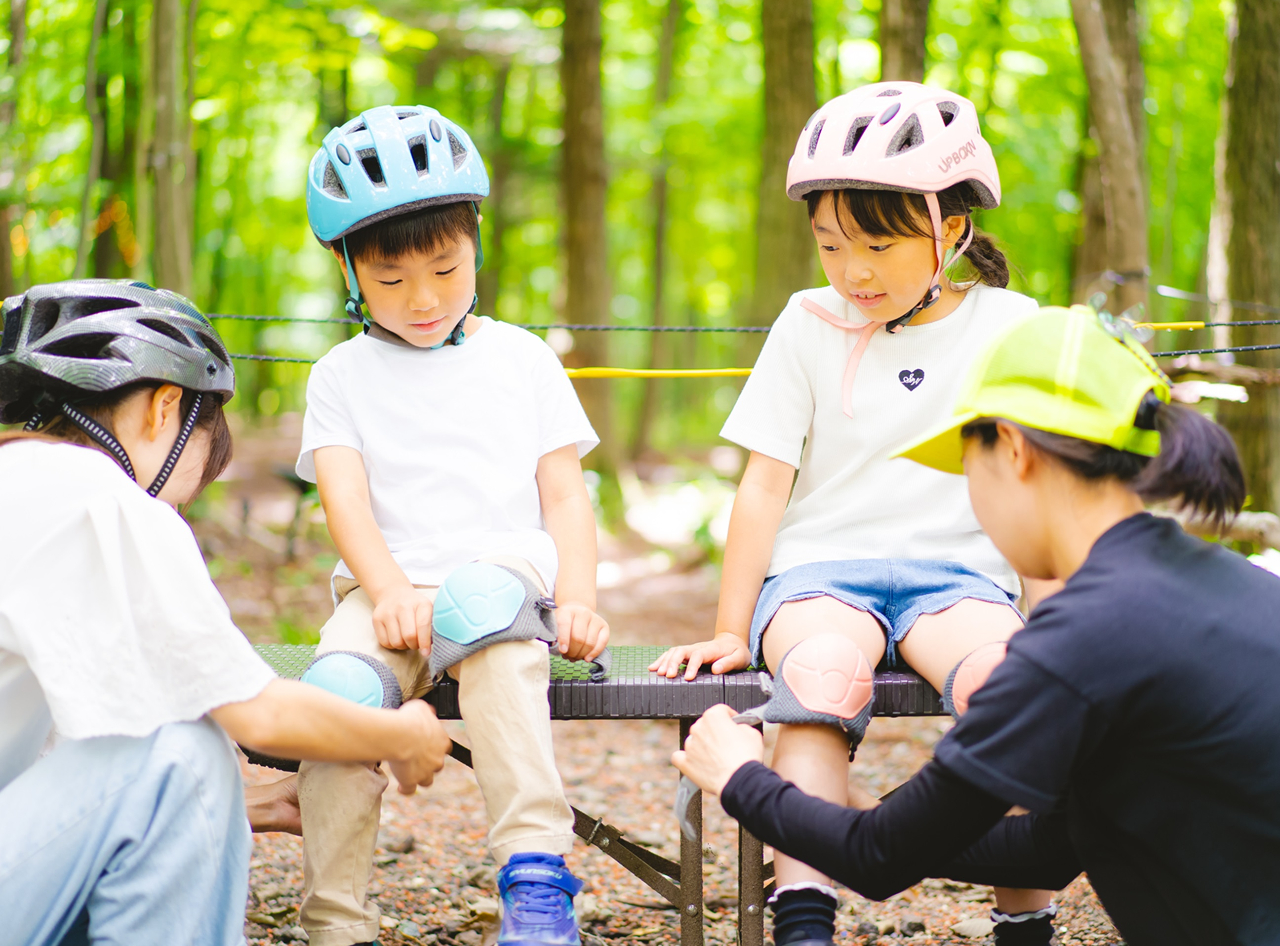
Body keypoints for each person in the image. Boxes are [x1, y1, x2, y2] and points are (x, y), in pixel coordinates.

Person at [674, 303, 1280, 946]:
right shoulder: (1234, 589)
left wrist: (741, 776)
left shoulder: (1077, 641)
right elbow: (1045, 852)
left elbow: (879, 859)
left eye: (964, 470)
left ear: (1013, 451)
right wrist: (856, 811)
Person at [651, 82, 1055, 942]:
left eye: (877, 243)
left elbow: (1039, 484)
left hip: (961, 578)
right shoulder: (804, 325)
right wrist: (732, 626)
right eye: (831, 244)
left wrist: (1055, 618)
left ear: (952, 228)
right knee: (823, 676)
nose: (852, 271)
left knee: (1011, 687)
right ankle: (805, 918)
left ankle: (1025, 920)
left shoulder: (1012, 326)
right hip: (819, 573)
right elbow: (764, 484)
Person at [0, 279, 453, 946]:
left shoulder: (24, 482)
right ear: (164, 408)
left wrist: (254, 805)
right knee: (187, 754)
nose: (176, 509)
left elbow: (68, 761)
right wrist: (405, 735)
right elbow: (255, 713)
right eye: (192, 483)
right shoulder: (106, 499)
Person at [297, 104, 608, 946]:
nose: (424, 298)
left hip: (499, 575)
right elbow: (346, 501)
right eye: (393, 281)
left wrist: (577, 596)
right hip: (386, 589)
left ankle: (536, 875)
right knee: (340, 698)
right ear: (349, 270)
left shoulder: (524, 358)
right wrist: (389, 587)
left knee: (486, 618)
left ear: (477, 242)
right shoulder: (340, 374)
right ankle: (335, 920)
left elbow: (564, 494)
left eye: (446, 267)